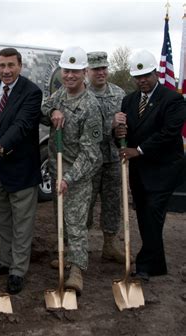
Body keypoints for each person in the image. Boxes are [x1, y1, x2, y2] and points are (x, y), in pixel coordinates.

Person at [0, 47, 42, 295]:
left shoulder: (31, 92)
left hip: (21, 167)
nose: (6, 71)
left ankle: (18, 270)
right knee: (1, 217)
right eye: (2, 65)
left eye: (11, 65)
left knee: (22, 222)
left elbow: (22, 126)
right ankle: (5, 259)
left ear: (20, 66)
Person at [114, 49, 186, 281]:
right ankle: (156, 264)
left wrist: (140, 150)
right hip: (138, 171)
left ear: (155, 72)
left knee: (153, 214)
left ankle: (145, 265)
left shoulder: (172, 99)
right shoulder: (129, 100)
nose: (142, 80)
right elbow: (123, 136)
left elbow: (168, 133)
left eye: (146, 75)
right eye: (138, 76)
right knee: (144, 216)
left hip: (163, 169)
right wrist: (119, 132)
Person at [41, 46, 103, 294]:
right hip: (58, 168)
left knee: (76, 224)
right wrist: (53, 111)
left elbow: (90, 153)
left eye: (75, 72)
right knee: (61, 220)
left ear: (85, 72)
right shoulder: (60, 95)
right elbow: (43, 108)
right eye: (67, 71)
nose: (70, 76)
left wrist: (69, 177)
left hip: (77, 173)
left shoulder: (90, 106)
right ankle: (65, 255)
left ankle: (77, 270)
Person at [86, 51, 125, 264]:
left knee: (112, 203)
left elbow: (128, 124)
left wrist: (123, 131)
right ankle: (78, 249)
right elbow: (81, 128)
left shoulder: (119, 94)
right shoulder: (81, 94)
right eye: (96, 69)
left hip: (112, 159)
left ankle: (109, 246)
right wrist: (109, 126)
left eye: (104, 68)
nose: (101, 72)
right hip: (89, 162)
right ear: (87, 71)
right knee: (85, 205)